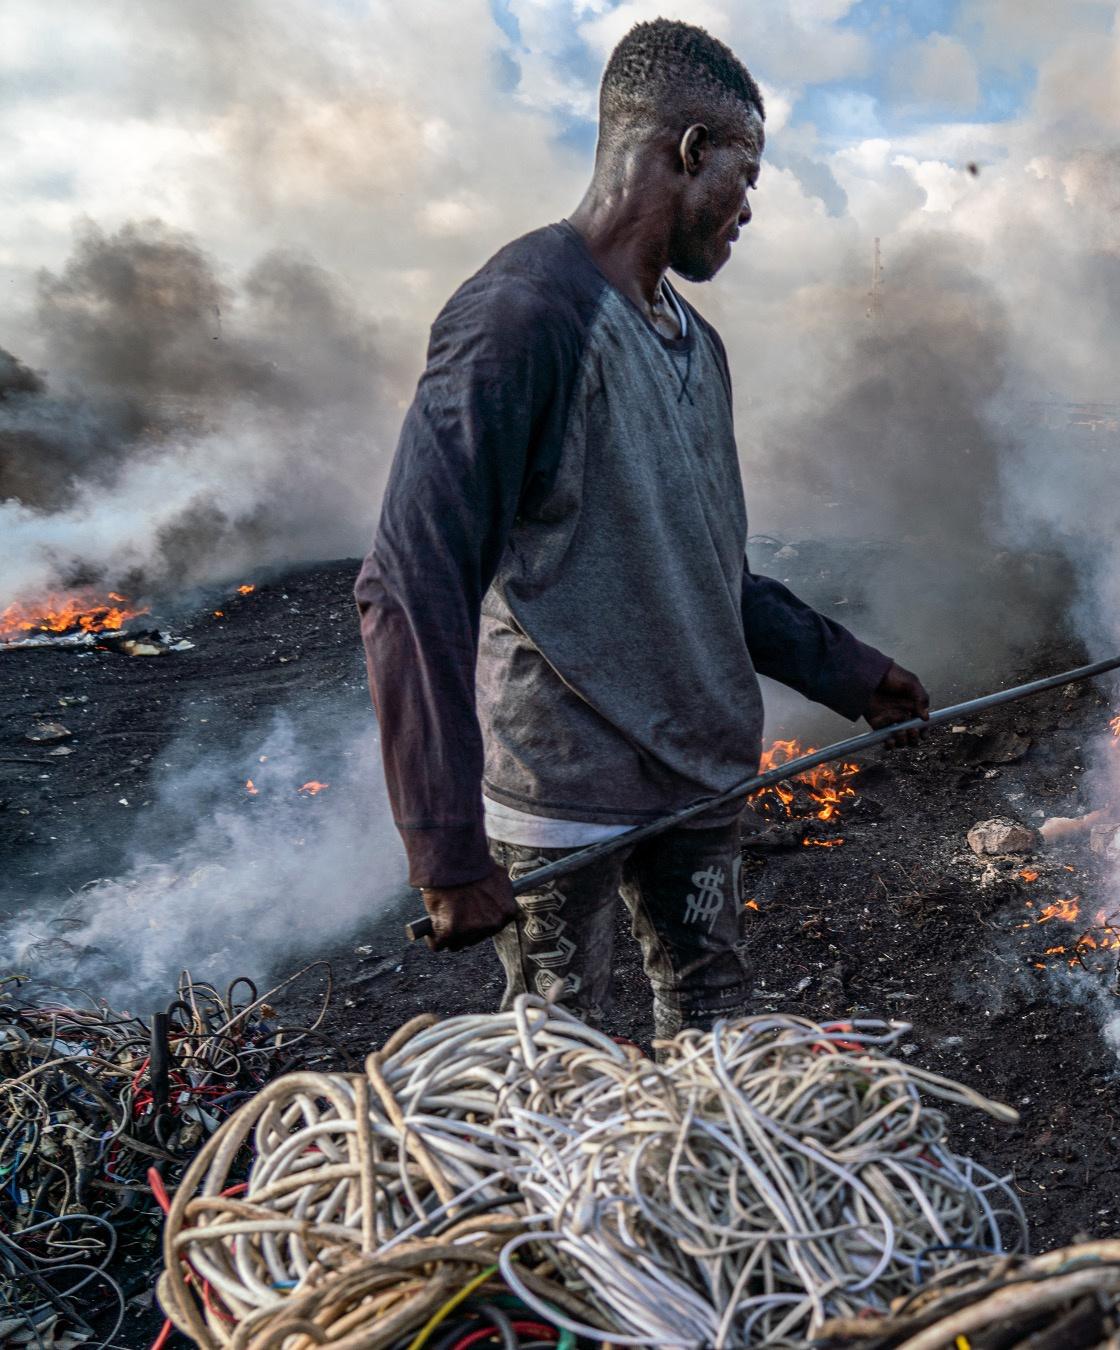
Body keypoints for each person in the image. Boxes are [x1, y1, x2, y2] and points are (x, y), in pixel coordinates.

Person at [356, 19, 927, 1035]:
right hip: (565, 786)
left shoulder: (695, 344)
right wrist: (444, 845)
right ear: (690, 150)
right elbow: (413, 581)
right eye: (746, 175)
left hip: (698, 778)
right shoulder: (522, 316)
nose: (749, 208)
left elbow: (704, 567)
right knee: (561, 1063)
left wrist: (845, 668)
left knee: (714, 1036)